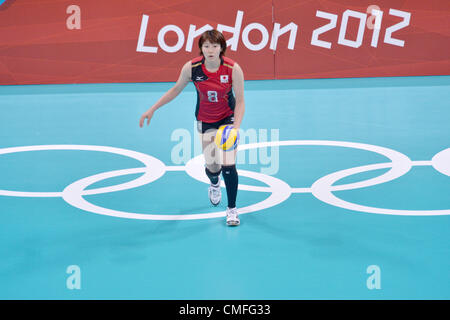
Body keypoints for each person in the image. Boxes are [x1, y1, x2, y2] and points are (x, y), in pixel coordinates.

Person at [139, 29, 245, 226]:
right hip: (205, 120)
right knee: (213, 166)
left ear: (222, 48)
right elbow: (175, 89)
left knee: (229, 165)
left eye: (215, 46)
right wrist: (152, 109)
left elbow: (240, 102)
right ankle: (214, 183)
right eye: (206, 46)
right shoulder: (192, 68)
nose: (211, 50)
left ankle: (232, 209)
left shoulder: (233, 69)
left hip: (227, 120)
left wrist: (235, 128)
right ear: (201, 49)